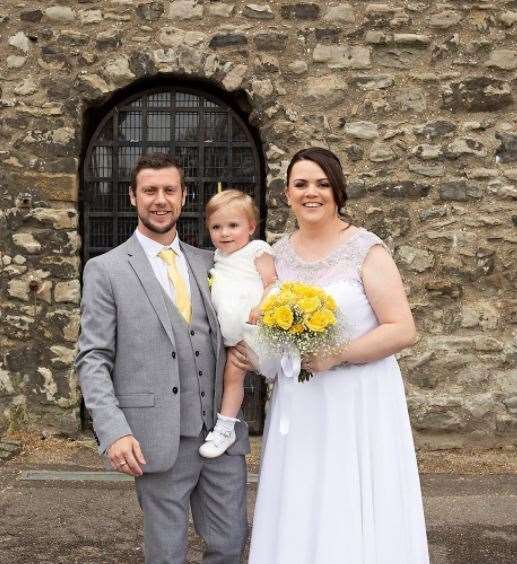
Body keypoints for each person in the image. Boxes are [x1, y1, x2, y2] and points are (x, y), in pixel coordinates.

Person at [248, 147, 429, 563]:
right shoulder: (276, 255)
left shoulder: (366, 249)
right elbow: (263, 319)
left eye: (322, 184)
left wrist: (337, 355)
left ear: (338, 191)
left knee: (350, 489)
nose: (312, 193)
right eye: (301, 184)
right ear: (287, 194)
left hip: (358, 399)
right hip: (301, 398)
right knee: (302, 490)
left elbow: (402, 329)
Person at [76, 153, 250, 564]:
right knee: (166, 554)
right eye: (149, 190)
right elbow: (93, 357)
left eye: (169, 190)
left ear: (184, 196)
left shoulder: (212, 262)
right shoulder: (106, 269)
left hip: (221, 437)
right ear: (134, 196)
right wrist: (113, 430)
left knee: (229, 544)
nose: (160, 199)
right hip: (155, 436)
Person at [198, 189, 276, 458]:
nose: (225, 233)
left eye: (233, 225)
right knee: (232, 379)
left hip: (257, 330)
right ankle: (225, 427)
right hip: (233, 340)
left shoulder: (257, 251)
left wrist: (262, 307)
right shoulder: (217, 259)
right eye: (216, 227)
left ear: (251, 227)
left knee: (276, 374)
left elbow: (273, 284)